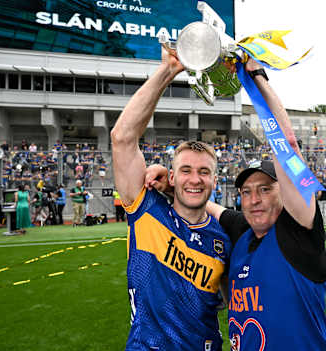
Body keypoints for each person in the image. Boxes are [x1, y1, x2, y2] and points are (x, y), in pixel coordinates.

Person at [145, 57, 326, 350]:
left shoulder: (298, 234)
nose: (254, 200)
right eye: (246, 191)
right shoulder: (242, 231)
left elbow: (288, 148)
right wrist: (173, 186)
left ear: (283, 192)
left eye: (265, 189)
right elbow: (211, 207)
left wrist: (256, 77)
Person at [110, 46, 231, 350]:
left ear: (215, 180)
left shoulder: (223, 238)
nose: (195, 179)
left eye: (204, 172)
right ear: (172, 177)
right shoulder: (146, 208)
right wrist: (168, 71)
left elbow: (232, 304)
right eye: (186, 170)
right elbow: (122, 138)